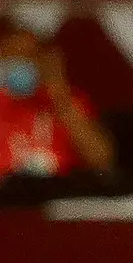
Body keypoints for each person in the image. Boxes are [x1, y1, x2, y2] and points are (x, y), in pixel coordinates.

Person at [0, 26, 115, 179]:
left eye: (29, 56)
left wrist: (59, 93)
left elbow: (101, 159)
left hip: (59, 193)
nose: (21, 64)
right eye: (14, 57)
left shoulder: (66, 99)